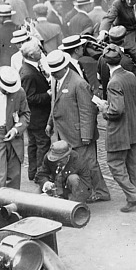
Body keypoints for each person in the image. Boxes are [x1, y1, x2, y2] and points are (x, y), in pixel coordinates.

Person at [45, 50, 111, 204]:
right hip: (62, 131)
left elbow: (87, 111)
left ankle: (102, 192)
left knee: (89, 163)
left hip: (79, 134)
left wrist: (86, 136)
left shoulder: (79, 83)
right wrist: (50, 123)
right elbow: (54, 103)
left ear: (64, 67)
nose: (53, 74)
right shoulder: (56, 80)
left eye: (55, 72)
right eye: (52, 72)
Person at [97, 46, 136, 212]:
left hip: (119, 132)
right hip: (135, 128)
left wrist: (104, 108)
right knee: (135, 166)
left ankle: (133, 196)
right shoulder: (130, 75)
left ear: (105, 62)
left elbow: (116, 110)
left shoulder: (113, 82)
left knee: (115, 164)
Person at [18, 39, 51, 181]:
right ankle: (40, 174)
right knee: (42, 144)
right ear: (31, 55)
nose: (41, 52)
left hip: (33, 118)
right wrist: (47, 94)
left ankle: (33, 172)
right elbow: (30, 97)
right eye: (38, 51)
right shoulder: (29, 73)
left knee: (33, 145)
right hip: (38, 117)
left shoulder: (29, 68)